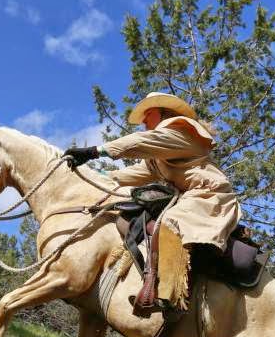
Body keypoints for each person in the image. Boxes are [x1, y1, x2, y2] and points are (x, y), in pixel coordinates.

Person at [63, 92, 241, 310]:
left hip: (210, 196)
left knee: (170, 222)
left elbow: (142, 141)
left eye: (148, 114)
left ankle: (166, 295)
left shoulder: (182, 131)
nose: (144, 121)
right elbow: (134, 174)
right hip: (192, 197)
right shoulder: (159, 155)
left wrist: (94, 151)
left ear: (164, 113)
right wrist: (92, 179)